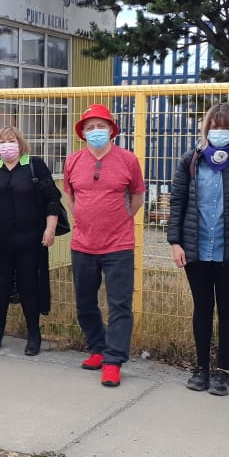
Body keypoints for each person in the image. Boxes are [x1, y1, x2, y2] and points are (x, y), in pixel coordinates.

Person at [165, 104, 229, 395]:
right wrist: (175, 242)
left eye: (225, 127)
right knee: (202, 308)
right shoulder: (191, 161)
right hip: (195, 249)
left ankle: (222, 370)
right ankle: (201, 368)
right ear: (205, 129)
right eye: (213, 126)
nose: (218, 132)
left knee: (227, 308)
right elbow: (177, 203)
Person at [64, 104, 146, 387]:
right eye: (90, 127)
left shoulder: (128, 160)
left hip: (118, 245)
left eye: (101, 126)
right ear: (82, 133)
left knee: (119, 304)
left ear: (112, 130)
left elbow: (137, 197)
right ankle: (97, 349)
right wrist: (85, 221)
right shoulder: (73, 161)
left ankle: (113, 361)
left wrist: (121, 220)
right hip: (83, 243)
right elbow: (71, 196)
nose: (96, 132)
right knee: (85, 302)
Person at [0, 126, 62, 356]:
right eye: (1, 141)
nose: (6, 144)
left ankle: (34, 334)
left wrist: (50, 229)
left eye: (10, 140)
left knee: (29, 286)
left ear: (20, 143)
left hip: (30, 241)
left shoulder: (35, 165)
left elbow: (52, 200)